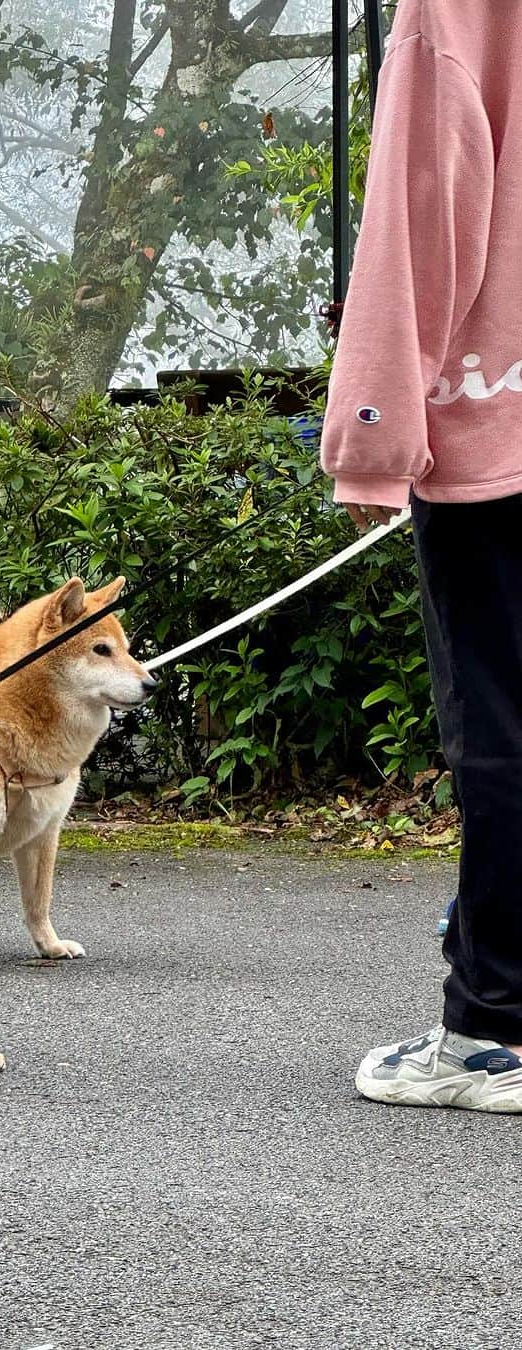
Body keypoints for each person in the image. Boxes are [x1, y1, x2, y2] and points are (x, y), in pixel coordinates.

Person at [321, 0, 522, 1112]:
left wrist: (374, 433)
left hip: (502, 431)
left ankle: (494, 1029)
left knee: (500, 736)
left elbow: (421, 203)